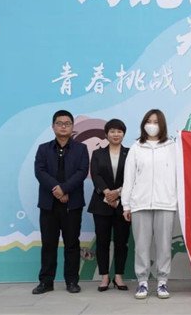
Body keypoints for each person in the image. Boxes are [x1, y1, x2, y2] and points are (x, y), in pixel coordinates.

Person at [122, 109, 177, 299]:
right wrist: (126, 205)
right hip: (140, 203)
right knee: (141, 246)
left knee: (164, 246)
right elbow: (129, 178)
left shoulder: (172, 147)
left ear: (162, 125)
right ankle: (142, 282)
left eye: (156, 122)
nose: (152, 125)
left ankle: (162, 282)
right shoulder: (136, 147)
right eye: (149, 121)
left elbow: (179, 175)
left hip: (166, 203)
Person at [33, 110, 89, 294]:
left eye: (67, 123)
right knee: (48, 244)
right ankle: (46, 282)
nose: (63, 126)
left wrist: (64, 189)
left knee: (72, 244)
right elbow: (40, 172)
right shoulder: (43, 149)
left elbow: (82, 172)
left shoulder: (81, 149)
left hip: (72, 204)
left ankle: (72, 281)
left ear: (72, 127)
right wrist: (56, 190)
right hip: (48, 204)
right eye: (59, 123)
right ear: (53, 126)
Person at [87, 119, 130, 292]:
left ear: (123, 134)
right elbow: (95, 174)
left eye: (119, 131)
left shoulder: (130, 153)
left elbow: (133, 176)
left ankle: (118, 276)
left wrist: (118, 193)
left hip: (123, 204)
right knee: (102, 241)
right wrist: (107, 192)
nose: (116, 134)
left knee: (122, 242)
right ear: (106, 134)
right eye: (112, 131)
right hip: (101, 203)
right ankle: (104, 276)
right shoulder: (97, 154)